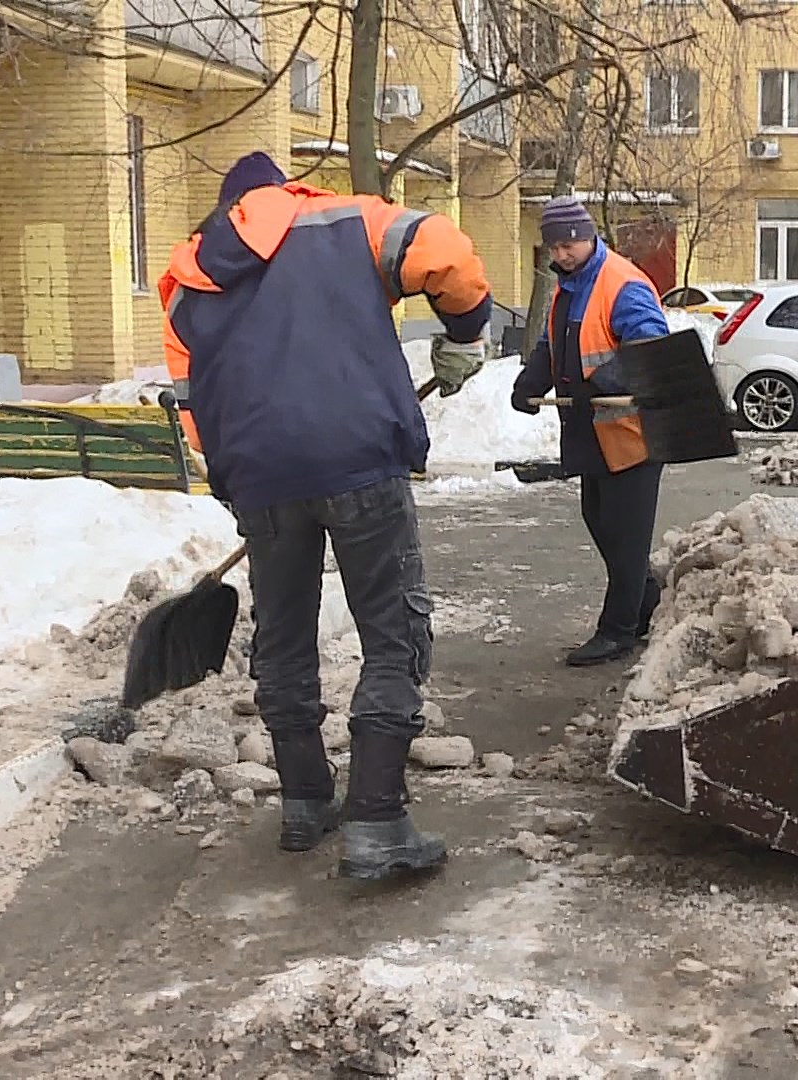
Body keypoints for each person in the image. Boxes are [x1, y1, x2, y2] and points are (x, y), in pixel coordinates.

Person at [159, 151, 492, 880]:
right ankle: (377, 818)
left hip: (261, 480)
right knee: (393, 627)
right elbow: (446, 253)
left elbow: (191, 404)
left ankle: (306, 804)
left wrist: (235, 477)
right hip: (358, 457)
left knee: (281, 638)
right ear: (282, 190)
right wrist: (466, 332)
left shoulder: (188, 281)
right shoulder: (345, 221)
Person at [510, 196, 674, 667]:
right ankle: (648, 605)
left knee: (626, 537)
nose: (561, 254)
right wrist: (532, 380)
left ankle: (618, 630)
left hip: (631, 435)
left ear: (588, 236)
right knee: (602, 524)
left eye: (569, 244)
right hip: (592, 434)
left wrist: (600, 382)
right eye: (554, 247)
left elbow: (649, 347)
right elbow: (552, 341)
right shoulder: (568, 286)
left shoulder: (622, 284)